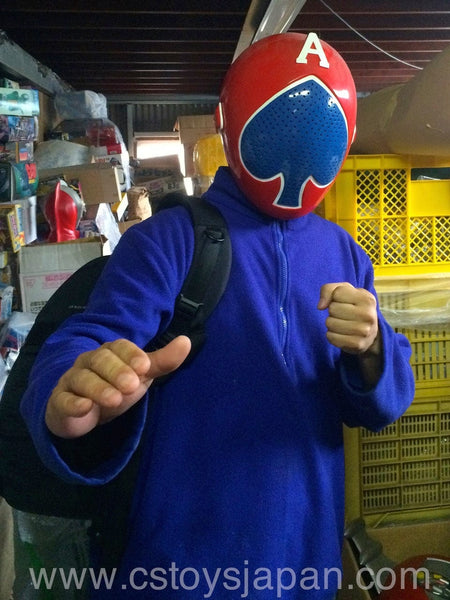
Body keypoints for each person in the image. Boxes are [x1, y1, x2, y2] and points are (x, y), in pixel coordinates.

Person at [20, 32, 415, 599]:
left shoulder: (345, 254)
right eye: (280, 123)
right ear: (230, 126)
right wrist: (71, 386)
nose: (299, 141)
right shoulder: (170, 240)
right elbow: (89, 337)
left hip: (304, 564)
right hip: (178, 568)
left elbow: (382, 404)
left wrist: (373, 348)